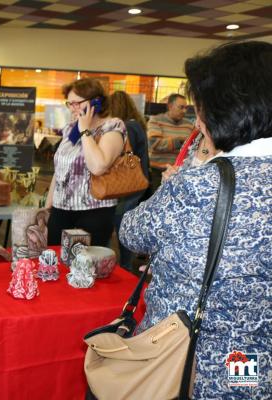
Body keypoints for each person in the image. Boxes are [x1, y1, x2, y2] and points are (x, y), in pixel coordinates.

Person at [120, 41, 272, 399]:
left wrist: (188, 172)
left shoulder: (201, 183)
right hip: (253, 363)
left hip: (187, 362)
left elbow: (132, 232)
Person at [46, 78, 126, 247]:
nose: (72, 109)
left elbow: (98, 166)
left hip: (94, 211)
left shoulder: (112, 127)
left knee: (85, 268)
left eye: (77, 103)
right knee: (54, 261)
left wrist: (85, 130)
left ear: (96, 102)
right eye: (69, 104)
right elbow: (59, 170)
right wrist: (48, 208)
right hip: (61, 209)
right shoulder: (69, 129)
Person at [108, 90, 150, 270]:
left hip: (127, 186)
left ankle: (124, 267)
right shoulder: (136, 124)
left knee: (121, 225)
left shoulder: (127, 127)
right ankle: (125, 266)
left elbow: (121, 155)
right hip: (136, 183)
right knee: (125, 224)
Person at [147, 93, 193, 188]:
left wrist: (169, 142)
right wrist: (180, 141)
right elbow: (155, 144)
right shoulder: (155, 121)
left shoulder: (189, 125)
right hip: (158, 170)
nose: (184, 111)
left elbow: (193, 147)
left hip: (180, 171)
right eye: (181, 107)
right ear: (170, 106)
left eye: (186, 108)